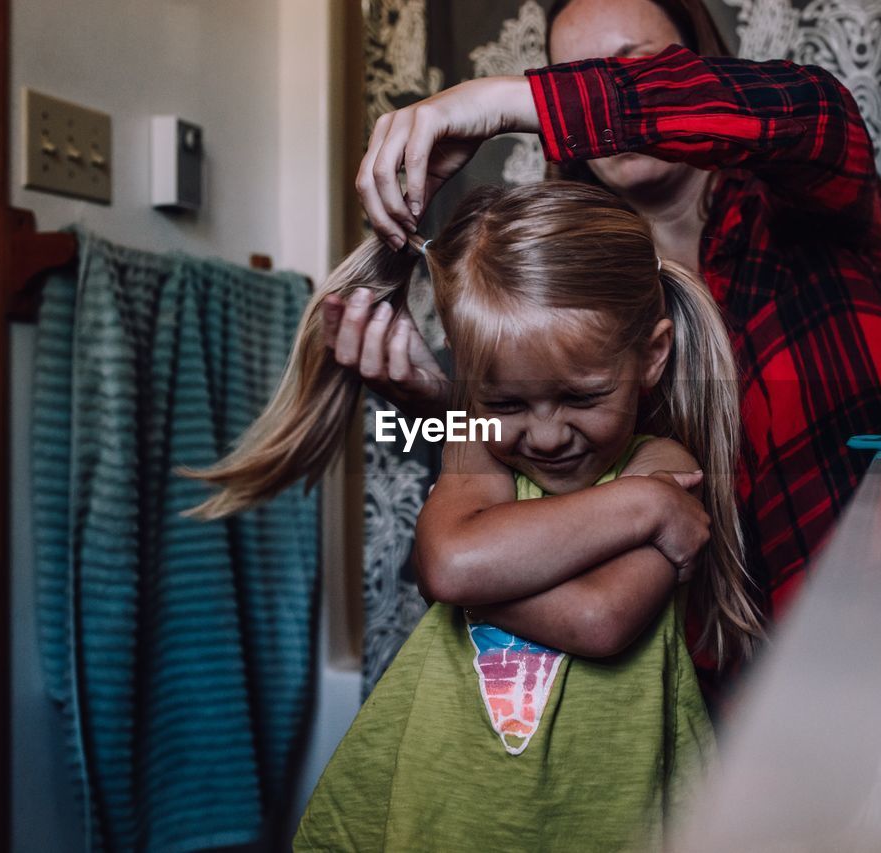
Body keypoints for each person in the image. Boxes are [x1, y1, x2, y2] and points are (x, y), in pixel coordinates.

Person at [342, 0, 881, 718]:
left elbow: (815, 111)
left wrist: (499, 100)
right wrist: (447, 412)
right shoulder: (575, 290)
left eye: (635, 69)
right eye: (576, 76)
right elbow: (550, 483)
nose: (606, 93)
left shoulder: (806, 197)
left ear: (701, 68)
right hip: (697, 697)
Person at [186, 181, 763, 851]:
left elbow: (601, 618)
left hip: (606, 816)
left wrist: (493, 568)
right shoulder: (505, 449)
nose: (546, 436)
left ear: (651, 357)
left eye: (582, 396)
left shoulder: (662, 462)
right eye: (507, 403)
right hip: (452, 808)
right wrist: (640, 508)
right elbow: (451, 563)